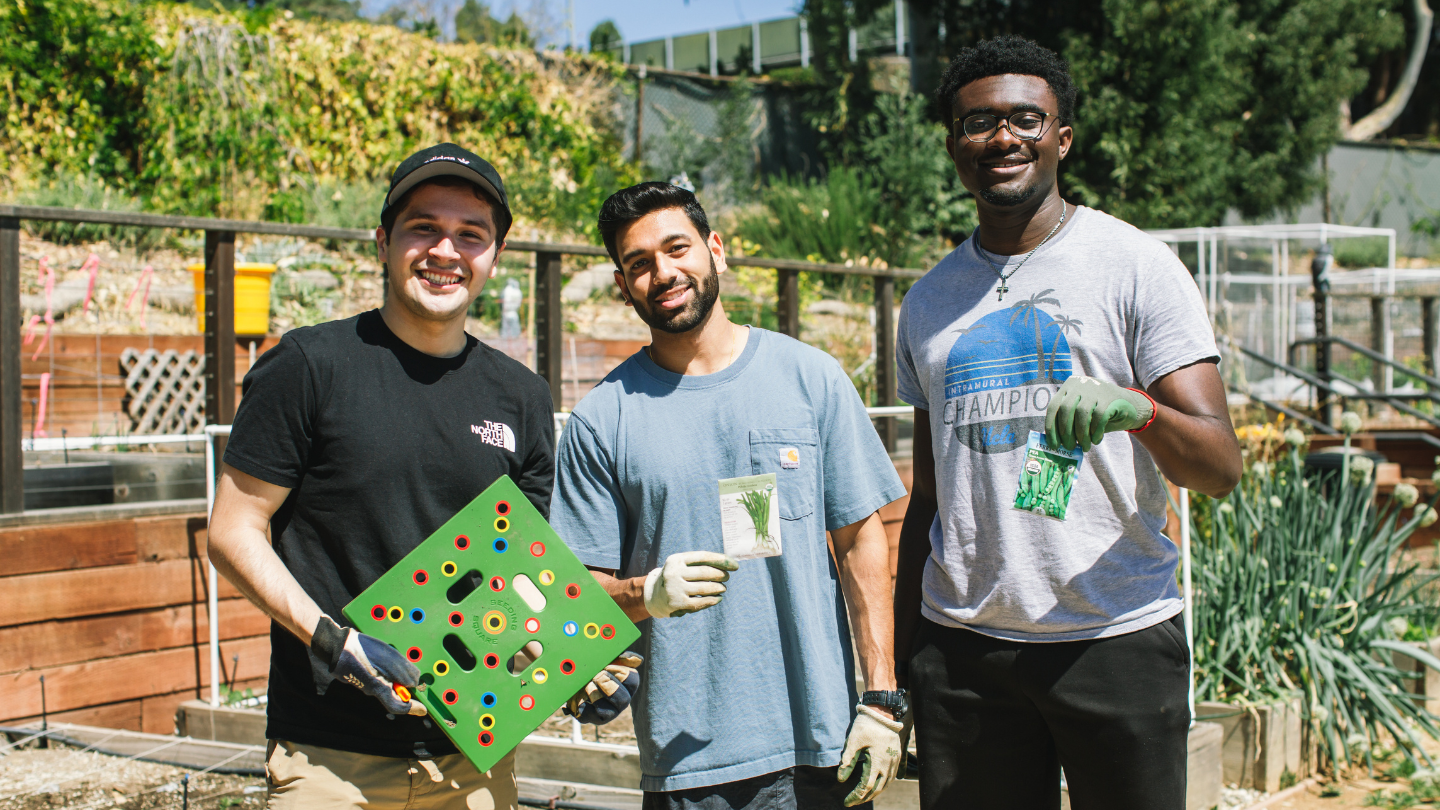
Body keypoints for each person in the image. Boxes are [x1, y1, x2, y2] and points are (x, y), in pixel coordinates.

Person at [207, 143, 638, 810]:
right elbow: (233, 531)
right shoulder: (308, 366)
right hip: (329, 764)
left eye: (471, 235)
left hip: (471, 765)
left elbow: (518, 573)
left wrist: (571, 666)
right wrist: (337, 642)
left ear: (493, 257)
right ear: (383, 242)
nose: (446, 251)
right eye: (423, 227)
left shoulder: (518, 395)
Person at [892, 37, 1243, 810]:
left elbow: (1219, 467)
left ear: (1062, 138)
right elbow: (929, 498)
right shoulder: (925, 303)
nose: (1002, 137)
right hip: (965, 652)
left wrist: (1141, 410)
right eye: (978, 122)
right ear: (955, 144)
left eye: (1026, 118)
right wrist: (903, 667)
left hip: (1113, 638)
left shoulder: (1135, 265)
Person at [551, 182, 911, 810]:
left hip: (820, 749)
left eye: (677, 248)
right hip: (691, 768)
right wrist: (646, 594)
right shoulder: (601, 419)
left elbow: (860, 541)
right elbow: (577, 596)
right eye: (639, 264)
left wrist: (880, 700)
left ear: (715, 250)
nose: (663, 272)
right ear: (622, 284)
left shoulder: (810, 378)